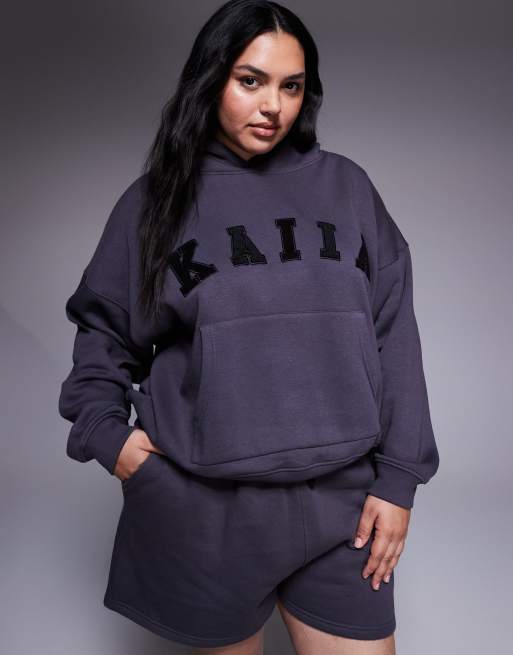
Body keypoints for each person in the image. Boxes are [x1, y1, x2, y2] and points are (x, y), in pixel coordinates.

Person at [58, 1, 440, 653]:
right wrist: (110, 439)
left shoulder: (347, 187)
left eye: (291, 86)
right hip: (206, 514)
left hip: (344, 509)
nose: (273, 106)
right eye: (250, 80)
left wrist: (398, 480)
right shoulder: (154, 203)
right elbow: (102, 335)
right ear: (210, 79)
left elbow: (393, 334)